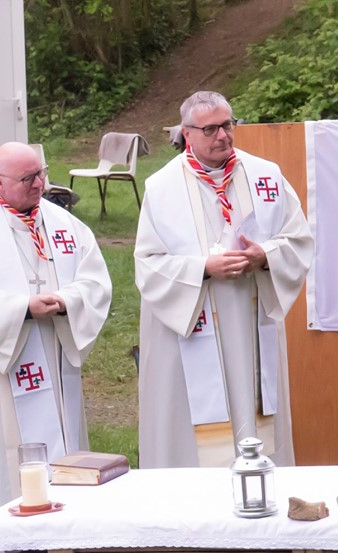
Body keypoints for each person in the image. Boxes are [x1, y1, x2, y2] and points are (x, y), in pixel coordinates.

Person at [0, 142, 112, 553]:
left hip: (52, 350)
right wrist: (21, 308)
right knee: (1, 452)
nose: (40, 184)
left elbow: (96, 282)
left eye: (42, 174)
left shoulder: (62, 223)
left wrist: (68, 300)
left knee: (61, 441)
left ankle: (71, 538)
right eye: (27, 179)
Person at [134, 90, 314, 469]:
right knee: (194, 433)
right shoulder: (162, 188)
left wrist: (264, 255)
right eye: (210, 129)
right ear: (186, 133)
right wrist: (202, 269)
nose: (223, 136)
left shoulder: (266, 176)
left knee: (256, 415)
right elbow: (148, 264)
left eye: (228, 125)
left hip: (251, 318)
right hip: (194, 319)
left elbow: (299, 239)